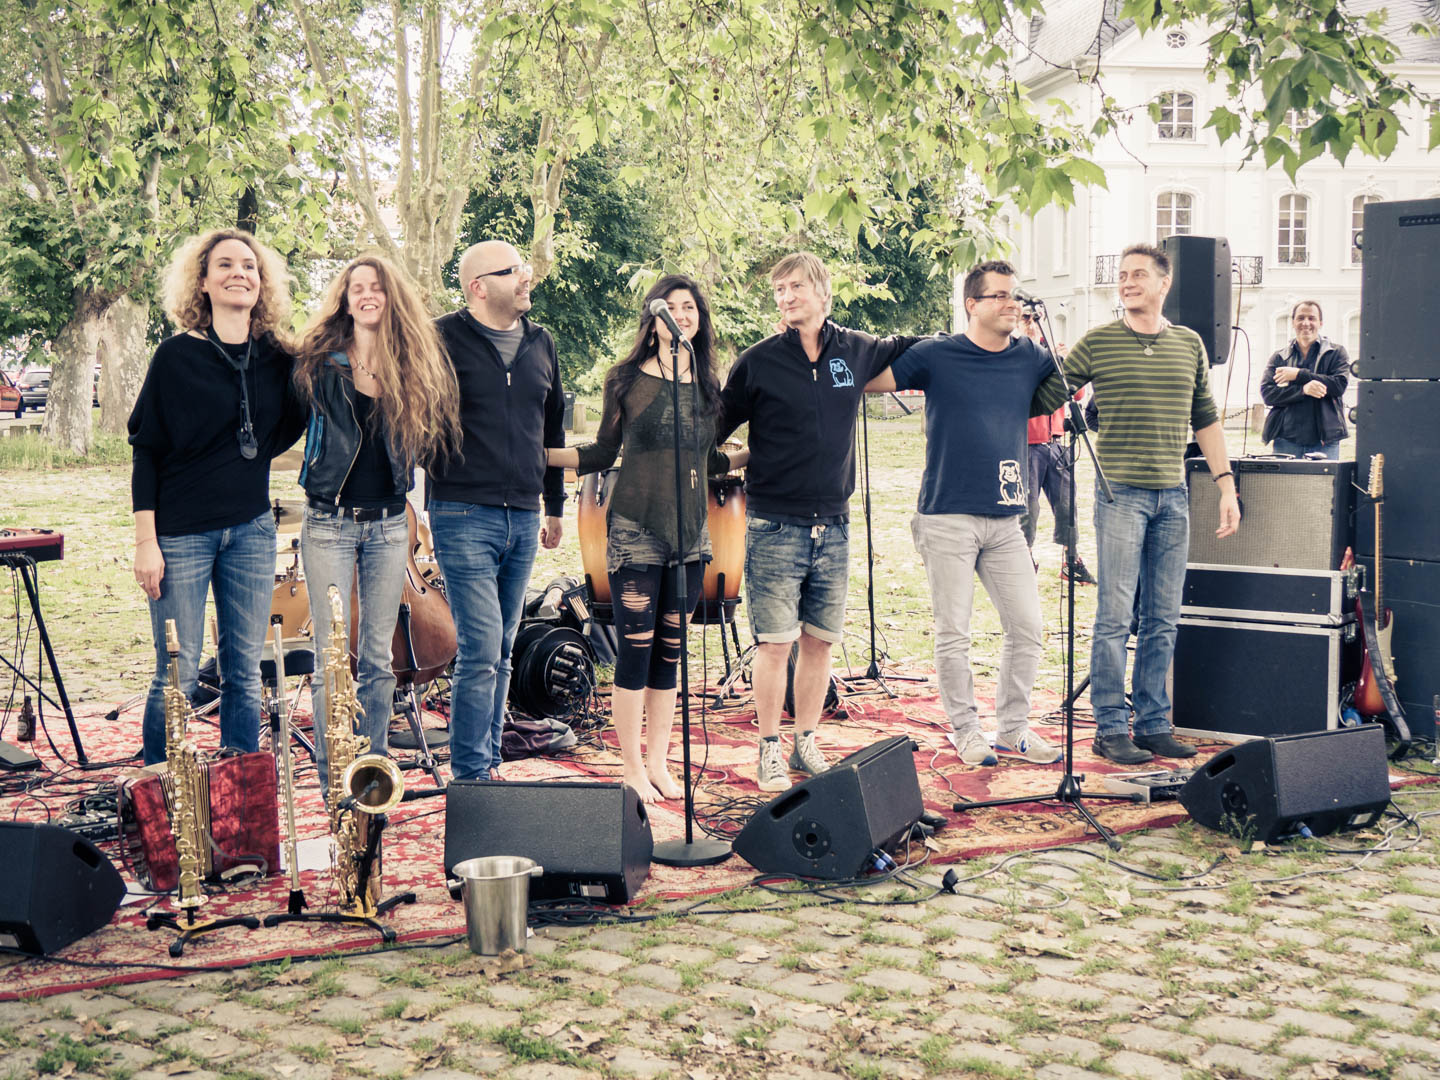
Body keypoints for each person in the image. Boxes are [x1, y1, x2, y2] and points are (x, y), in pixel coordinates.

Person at [717, 253, 921, 792]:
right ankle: (768, 747)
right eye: (779, 290)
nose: (786, 297)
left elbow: (913, 347)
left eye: (796, 287)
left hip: (834, 525)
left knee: (819, 642)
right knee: (774, 645)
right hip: (773, 526)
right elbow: (710, 427)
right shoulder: (757, 361)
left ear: (823, 293)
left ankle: (805, 740)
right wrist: (727, 462)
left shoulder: (855, 349)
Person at [548, 276, 747, 802]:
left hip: (691, 537)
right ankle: (631, 766)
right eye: (671, 307)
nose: (681, 315)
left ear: (700, 318)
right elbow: (602, 452)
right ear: (652, 320)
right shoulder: (625, 379)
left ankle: (658, 762)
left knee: (669, 653)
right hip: (635, 530)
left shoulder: (707, 384)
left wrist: (758, 453)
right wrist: (543, 456)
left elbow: (707, 459)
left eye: (690, 307)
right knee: (635, 652)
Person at [868, 260, 1067, 766]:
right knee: (954, 632)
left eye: (1014, 295)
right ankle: (966, 730)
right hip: (947, 515)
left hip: (1006, 519)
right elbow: (869, 381)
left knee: (1027, 627)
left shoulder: (1030, 356)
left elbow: (1072, 375)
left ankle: (1013, 729)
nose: (1012, 303)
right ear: (971, 304)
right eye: (999, 295)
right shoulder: (938, 354)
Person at [129, 229, 306, 765]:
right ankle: (159, 786)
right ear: (202, 282)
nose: (239, 274)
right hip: (179, 534)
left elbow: (294, 421)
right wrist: (146, 542)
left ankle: (240, 785)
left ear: (261, 282)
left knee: (244, 669)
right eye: (224, 265)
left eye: (249, 266)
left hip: (251, 530)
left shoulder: (278, 356)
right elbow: (146, 451)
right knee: (177, 672)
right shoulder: (175, 356)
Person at [1063, 243, 1241, 765]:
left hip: (1174, 497)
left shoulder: (1188, 344)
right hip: (1120, 495)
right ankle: (1109, 727)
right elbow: (1046, 392)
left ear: (1164, 284)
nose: (1127, 282)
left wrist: (1226, 486)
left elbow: (1205, 420)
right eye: (1122, 275)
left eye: (1138, 274)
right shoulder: (1098, 342)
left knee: (1162, 617)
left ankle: (1153, 724)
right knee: (1115, 617)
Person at [292, 255, 461, 790]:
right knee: (331, 657)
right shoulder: (319, 362)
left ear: (392, 298)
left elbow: (435, 442)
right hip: (329, 523)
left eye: (377, 287)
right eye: (357, 288)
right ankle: (332, 782)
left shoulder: (413, 366)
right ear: (344, 300)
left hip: (390, 526)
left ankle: (372, 779)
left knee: (378, 659)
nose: (367, 295)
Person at [430, 241, 566, 782]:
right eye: (514, 271)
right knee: (482, 648)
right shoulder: (441, 338)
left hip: (525, 516)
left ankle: (488, 762)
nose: (526, 277)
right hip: (462, 512)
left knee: (504, 649)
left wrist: (554, 505)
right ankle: (470, 776)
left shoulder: (541, 341)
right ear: (479, 286)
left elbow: (552, 429)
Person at [1017, 315, 1095, 585]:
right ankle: (1024, 559)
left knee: (1067, 505)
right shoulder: (1014, 354)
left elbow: (1078, 394)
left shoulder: (1053, 352)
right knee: (1028, 509)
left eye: (1032, 319)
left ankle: (1071, 560)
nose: (1030, 323)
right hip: (1027, 444)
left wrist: (1065, 362)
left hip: (1057, 442)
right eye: (1024, 319)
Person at [1260, 301, 1349, 459]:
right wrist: (1303, 390)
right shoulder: (1279, 357)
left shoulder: (1336, 353)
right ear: (1293, 322)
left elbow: (1339, 385)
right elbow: (1268, 394)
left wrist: (1299, 375)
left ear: (1320, 323)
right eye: (1300, 318)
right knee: (1285, 477)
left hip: (1325, 442)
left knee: (1324, 478)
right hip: (1286, 440)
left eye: (1311, 318)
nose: (1306, 323)